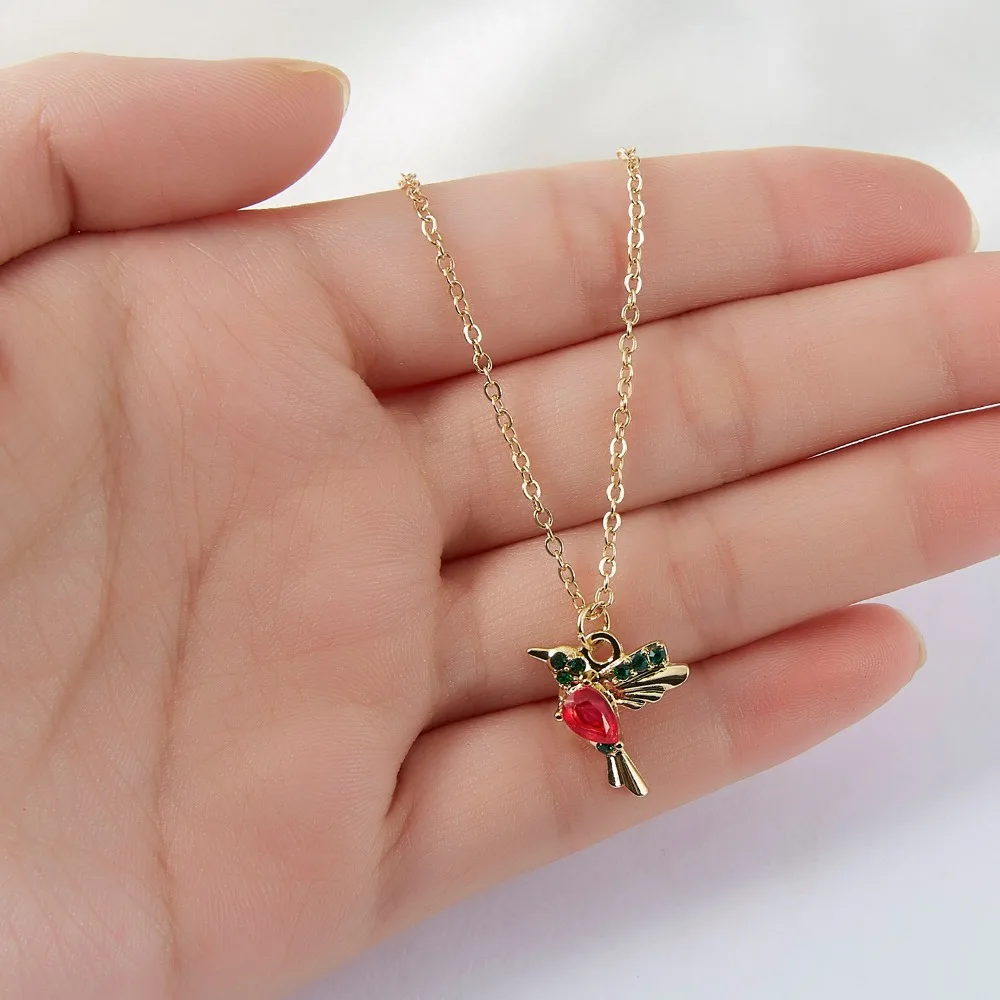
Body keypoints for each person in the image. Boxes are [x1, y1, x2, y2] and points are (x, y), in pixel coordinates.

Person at [0, 52, 991, 1000]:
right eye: (583, 677)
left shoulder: (593, 686)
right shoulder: (589, 689)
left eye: (585, 677)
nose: (583, 676)